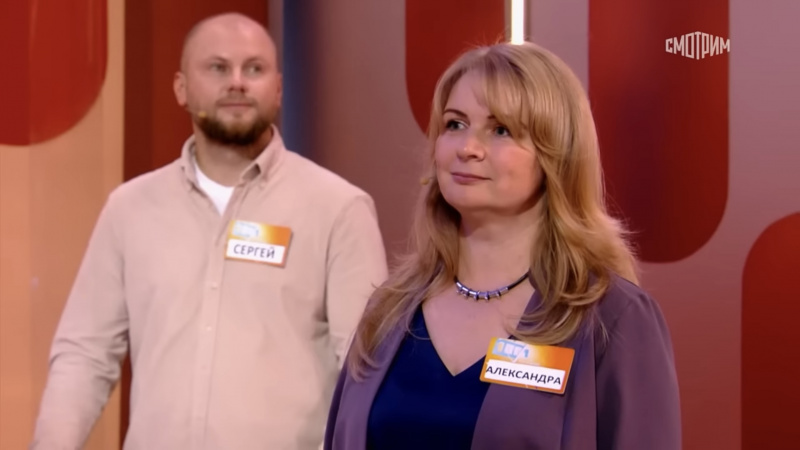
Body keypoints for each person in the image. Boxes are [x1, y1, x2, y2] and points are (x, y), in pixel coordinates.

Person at [31, 12, 388, 450]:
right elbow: (84, 357)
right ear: (181, 88)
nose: (237, 82)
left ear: (278, 88)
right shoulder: (131, 208)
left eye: (254, 69)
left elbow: (364, 373)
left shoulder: (338, 209)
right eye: (218, 68)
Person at [324, 41, 682, 450]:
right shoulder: (388, 310)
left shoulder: (611, 318)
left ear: (557, 156)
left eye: (501, 130)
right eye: (454, 124)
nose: (467, 148)